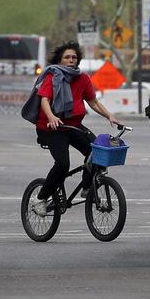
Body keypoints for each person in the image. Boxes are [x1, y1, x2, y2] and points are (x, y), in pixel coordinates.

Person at [34, 41, 121, 213]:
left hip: (73, 126)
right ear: (60, 60)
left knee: (98, 151)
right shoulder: (53, 76)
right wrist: (51, 116)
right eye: (67, 57)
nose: (71, 60)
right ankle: (41, 198)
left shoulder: (82, 78)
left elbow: (93, 102)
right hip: (51, 128)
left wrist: (110, 116)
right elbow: (44, 99)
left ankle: (87, 188)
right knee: (62, 164)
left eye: (74, 57)